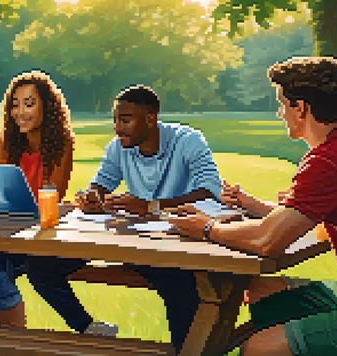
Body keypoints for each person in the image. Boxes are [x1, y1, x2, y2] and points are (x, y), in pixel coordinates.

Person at [166, 57, 337, 356]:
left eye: (282, 104)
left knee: (257, 348)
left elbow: (267, 241)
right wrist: (252, 205)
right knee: (261, 290)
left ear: (300, 108)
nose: (280, 113)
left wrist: (207, 228)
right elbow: (311, 223)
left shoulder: (327, 163)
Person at [25, 85, 223, 350]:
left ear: (150, 118)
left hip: (172, 244)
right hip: (127, 240)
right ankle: (90, 329)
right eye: (116, 120)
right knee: (41, 267)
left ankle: (185, 350)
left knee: (182, 286)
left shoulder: (187, 141)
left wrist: (152, 206)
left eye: (126, 120)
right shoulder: (118, 148)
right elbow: (101, 183)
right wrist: (91, 197)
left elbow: (210, 194)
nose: (118, 128)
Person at [0, 70, 75, 328]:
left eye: (29, 103)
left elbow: (53, 193)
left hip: (37, 231)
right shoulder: (3, 141)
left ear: (48, 107)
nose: (20, 112)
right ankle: (13, 336)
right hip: (6, 225)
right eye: (15, 104)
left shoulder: (62, 143)